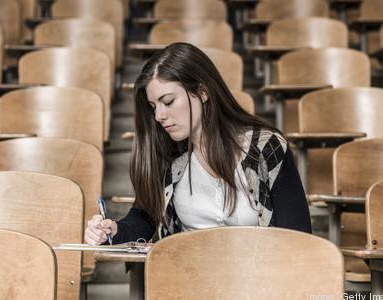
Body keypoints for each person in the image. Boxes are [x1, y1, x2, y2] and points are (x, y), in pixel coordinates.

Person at [84, 42, 311, 245]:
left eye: (169, 101)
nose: (159, 116)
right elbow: (144, 217)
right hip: (190, 283)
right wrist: (113, 230)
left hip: (261, 281)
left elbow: (298, 237)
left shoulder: (266, 148)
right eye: (154, 107)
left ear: (202, 92)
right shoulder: (168, 156)